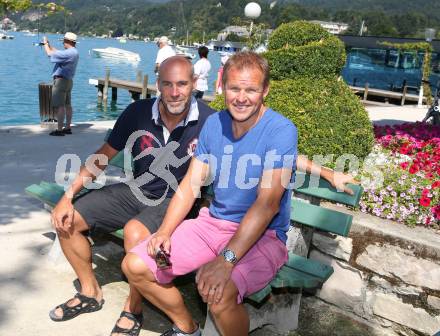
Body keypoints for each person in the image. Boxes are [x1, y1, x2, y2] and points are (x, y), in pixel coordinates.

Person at [48, 54, 354, 335]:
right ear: (222, 87)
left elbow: (268, 203)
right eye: (234, 89)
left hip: (263, 236)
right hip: (211, 224)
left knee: (218, 292)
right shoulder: (215, 124)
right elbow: (190, 184)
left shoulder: (280, 129)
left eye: (251, 90)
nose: (242, 98)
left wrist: (227, 260)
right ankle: (188, 328)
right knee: (135, 266)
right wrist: (165, 232)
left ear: (266, 91)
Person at [48, 56, 216, 331]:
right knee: (68, 218)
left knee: (135, 233)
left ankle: (133, 308)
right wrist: (68, 195)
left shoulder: (210, 120)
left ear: (194, 83)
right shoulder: (137, 112)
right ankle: (90, 292)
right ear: (158, 85)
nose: (175, 92)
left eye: (182, 84)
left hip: (179, 200)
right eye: (168, 84)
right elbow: (103, 156)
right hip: (138, 189)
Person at [42, 32, 79, 136]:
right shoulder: (74, 52)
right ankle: (67, 128)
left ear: (67, 41)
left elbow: (49, 54)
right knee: (68, 105)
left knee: (60, 106)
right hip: (68, 81)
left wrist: (45, 44)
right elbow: (57, 52)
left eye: (64, 41)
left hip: (60, 82)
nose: (63, 43)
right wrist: (49, 45)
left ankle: (59, 130)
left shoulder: (68, 53)